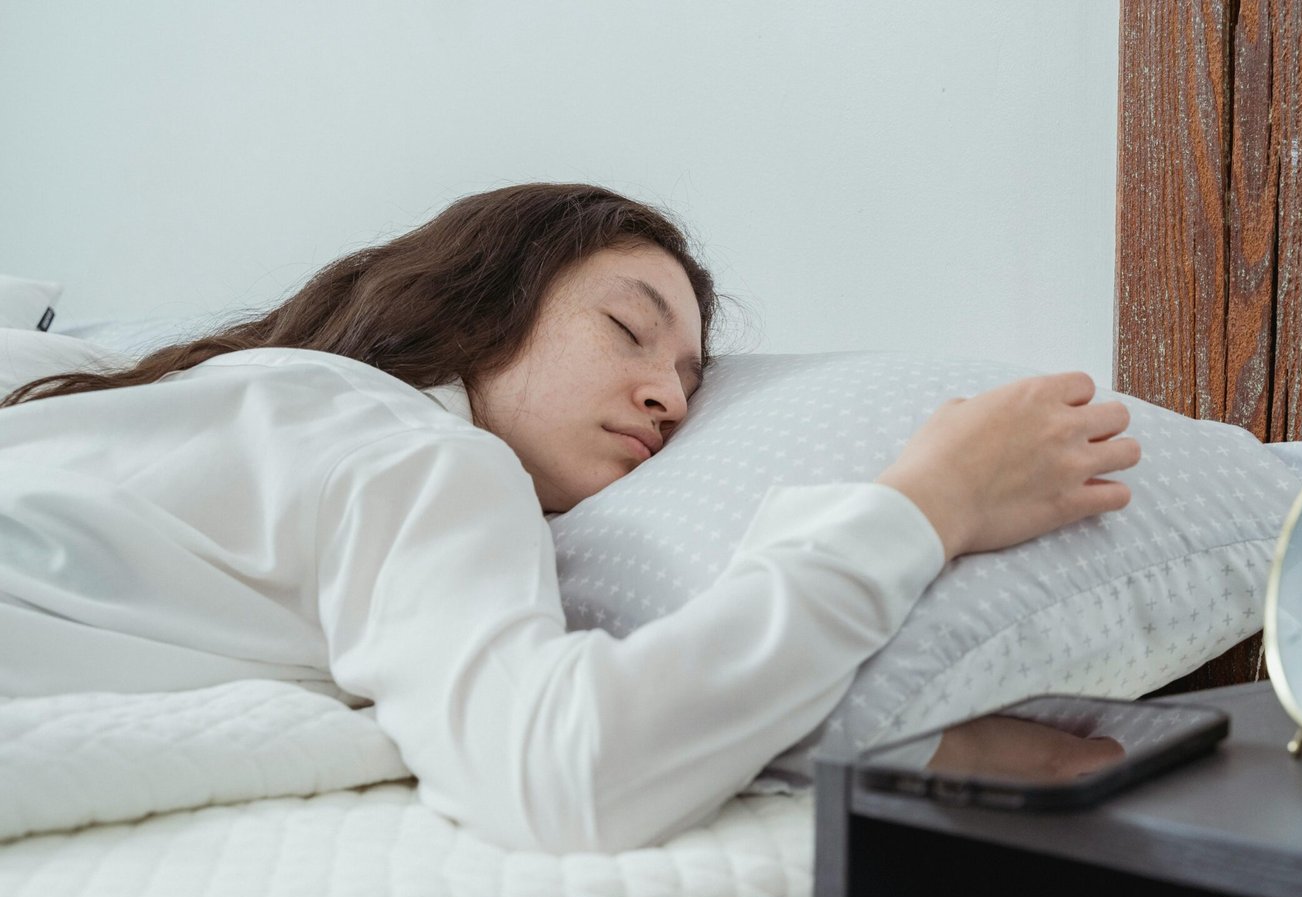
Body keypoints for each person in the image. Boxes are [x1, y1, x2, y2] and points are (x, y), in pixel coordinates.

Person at [0, 183, 1140, 852]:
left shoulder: (210, 393)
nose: (669, 395)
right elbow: (562, 766)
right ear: (481, 301)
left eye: (692, 379)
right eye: (629, 329)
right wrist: (926, 502)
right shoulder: (412, 455)